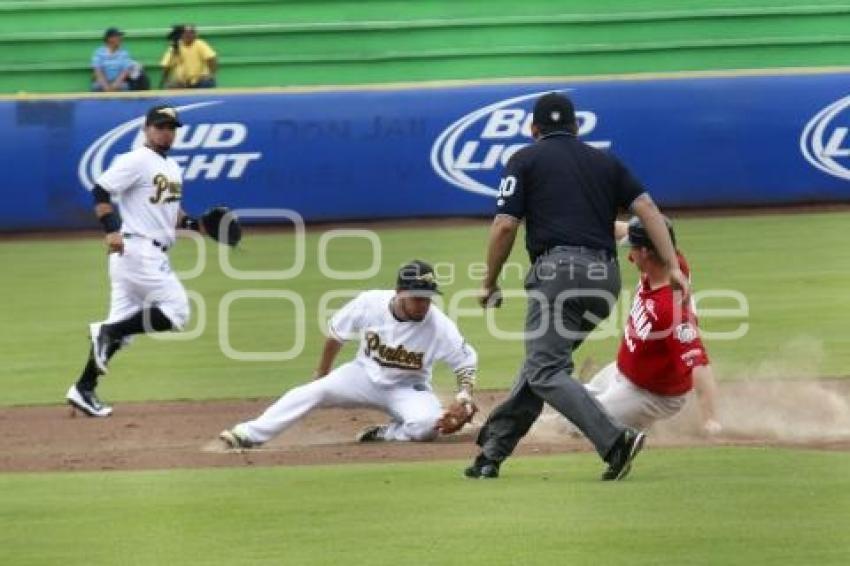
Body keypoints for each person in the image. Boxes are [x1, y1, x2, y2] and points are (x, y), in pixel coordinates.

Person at [466, 92, 688, 481]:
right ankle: (491, 454)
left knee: (546, 371)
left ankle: (615, 441)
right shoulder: (605, 162)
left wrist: (489, 282)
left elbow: (504, 226)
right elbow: (649, 211)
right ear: (576, 127)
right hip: (605, 280)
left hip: (559, 274)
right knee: (541, 366)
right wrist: (671, 266)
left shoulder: (524, 159)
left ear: (534, 129)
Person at [218, 261, 478, 449]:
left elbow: (465, 362)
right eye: (417, 297)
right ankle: (248, 434)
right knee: (312, 392)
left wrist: (464, 396)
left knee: (427, 427)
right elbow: (336, 334)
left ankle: (386, 434)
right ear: (399, 292)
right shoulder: (370, 303)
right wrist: (322, 374)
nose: (424, 304)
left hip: (408, 387)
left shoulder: (439, 325)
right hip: (362, 376)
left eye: (428, 297)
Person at [66, 105, 206, 417]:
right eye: (160, 126)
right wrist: (110, 229)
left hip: (137, 255)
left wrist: (198, 226)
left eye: (171, 127)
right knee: (178, 311)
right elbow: (101, 190)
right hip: (139, 251)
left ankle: (84, 387)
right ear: (146, 129)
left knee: (122, 328)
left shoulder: (171, 167)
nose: (166, 132)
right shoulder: (136, 160)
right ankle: (107, 331)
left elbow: (172, 214)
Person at [584, 216, 721, 433]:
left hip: (651, 393)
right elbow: (630, 230)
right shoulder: (669, 263)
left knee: (581, 423)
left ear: (646, 252)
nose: (630, 254)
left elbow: (698, 363)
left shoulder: (671, 309)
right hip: (623, 371)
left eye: (633, 247)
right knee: (574, 400)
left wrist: (710, 420)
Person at [160, 24, 217, 89]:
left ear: (195, 35)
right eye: (185, 33)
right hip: (182, 82)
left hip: (199, 80)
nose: (188, 35)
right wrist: (166, 80)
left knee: (208, 81)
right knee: (171, 85)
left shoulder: (200, 44)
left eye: (191, 32)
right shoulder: (175, 47)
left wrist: (211, 74)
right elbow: (166, 65)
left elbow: (212, 58)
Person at [90, 27, 140, 92]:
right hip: (103, 82)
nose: (120, 38)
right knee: (96, 87)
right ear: (109, 39)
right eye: (117, 36)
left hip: (118, 83)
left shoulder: (124, 53)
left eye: (120, 36)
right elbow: (98, 71)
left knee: (125, 87)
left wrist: (115, 85)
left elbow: (125, 71)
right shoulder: (99, 52)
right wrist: (106, 87)